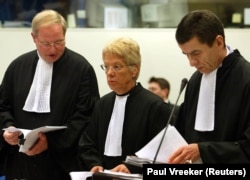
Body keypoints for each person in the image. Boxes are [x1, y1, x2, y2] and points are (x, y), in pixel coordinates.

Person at [0, 9, 100, 180]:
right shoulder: (18, 67)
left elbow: (86, 117)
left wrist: (51, 144)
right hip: (20, 164)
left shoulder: (81, 69)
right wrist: (8, 129)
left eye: (59, 42)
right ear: (34, 38)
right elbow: (3, 106)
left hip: (61, 165)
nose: (53, 49)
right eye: (46, 43)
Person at [78, 37, 171, 173]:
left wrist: (132, 167)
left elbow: (161, 151)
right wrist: (94, 164)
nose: (109, 73)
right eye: (106, 66)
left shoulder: (155, 106)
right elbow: (87, 143)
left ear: (134, 70)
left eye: (116, 66)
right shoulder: (102, 104)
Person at [168, 9, 250, 164]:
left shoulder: (246, 79)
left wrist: (204, 151)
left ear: (219, 42)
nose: (191, 62)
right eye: (186, 55)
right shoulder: (195, 81)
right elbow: (181, 135)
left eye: (196, 53)